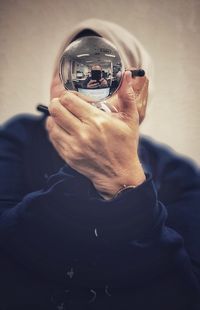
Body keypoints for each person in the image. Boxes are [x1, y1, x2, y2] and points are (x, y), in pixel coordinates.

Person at [0, 18, 200, 310]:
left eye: (108, 71)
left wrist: (124, 178)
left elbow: (186, 290)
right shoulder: (19, 137)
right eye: (71, 69)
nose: (85, 86)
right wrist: (85, 168)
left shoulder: (175, 172)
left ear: (139, 91)